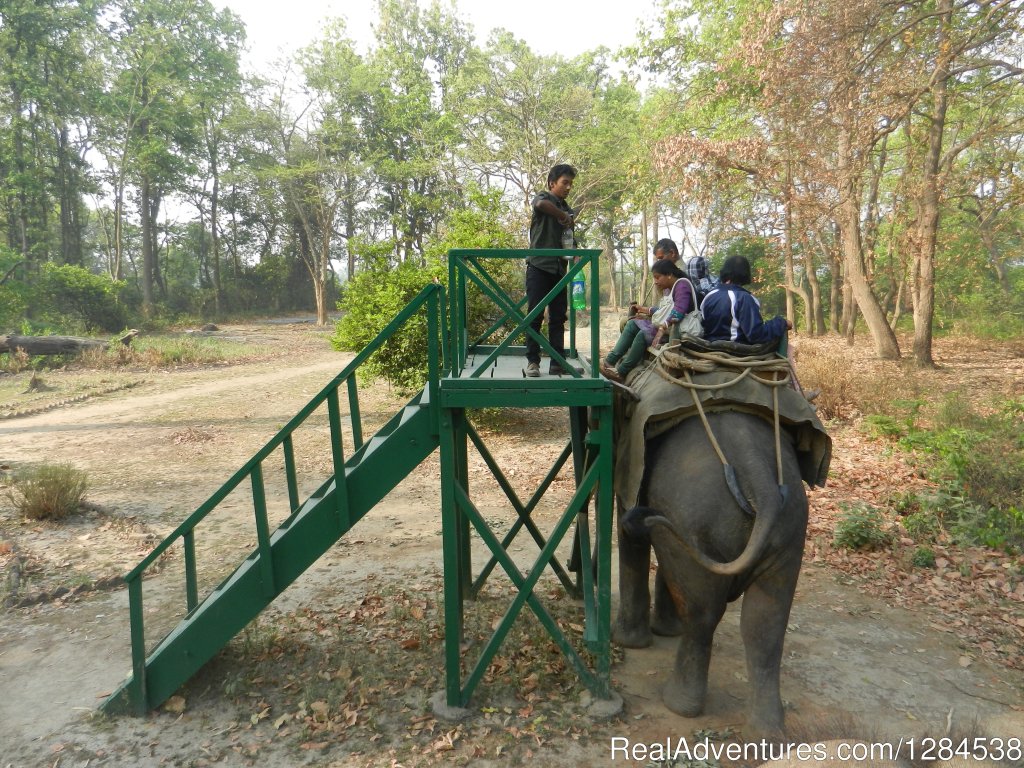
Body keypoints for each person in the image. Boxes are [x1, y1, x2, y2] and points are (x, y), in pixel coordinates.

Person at [601, 259, 693, 384]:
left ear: (669, 275)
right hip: (668, 326)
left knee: (643, 335)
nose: (655, 281)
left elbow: (679, 311)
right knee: (632, 324)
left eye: (657, 277)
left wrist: (662, 328)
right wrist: (643, 310)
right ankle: (610, 361)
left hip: (679, 329)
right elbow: (663, 310)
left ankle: (622, 372)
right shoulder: (669, 288)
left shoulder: (682, 285)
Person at [525, 163, 577, 377]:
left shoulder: (568, 209)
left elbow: (571, 238)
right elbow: (540, 205)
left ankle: (557, 362)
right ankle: (532, 362)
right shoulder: (543, 198)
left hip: (558, 269)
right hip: (538, 266)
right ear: (552, 183)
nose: (568, 188)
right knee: (534, 316)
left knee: (557, 317)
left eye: (571, 184)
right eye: (565, 183)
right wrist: (562, 217)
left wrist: (574, 249)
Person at [700, 255, 791, 345]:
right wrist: (781, 323)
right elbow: (756, 334)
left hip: (709, 347)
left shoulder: (709, 296)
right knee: (787, 346)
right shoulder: (743, 298)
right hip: (737, 350)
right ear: (745, 273)